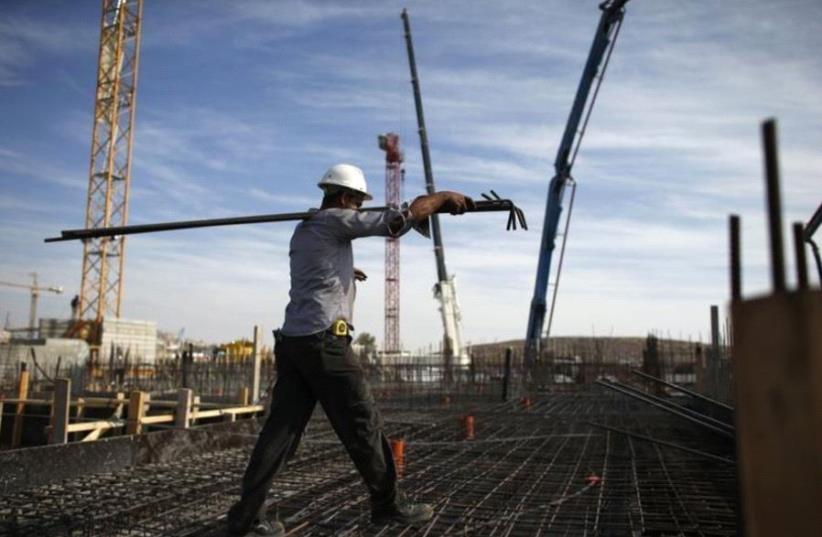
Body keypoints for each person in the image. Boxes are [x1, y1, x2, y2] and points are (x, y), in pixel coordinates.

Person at [225, 163, 474, 536]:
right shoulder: (335, 220)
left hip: (294, 343)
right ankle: (388, 506)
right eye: (356, 203)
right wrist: (437, 200)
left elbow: (318, 268)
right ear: (344, 199)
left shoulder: (305, 229)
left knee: (280, 433)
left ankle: (246, 517)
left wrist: (346, 271)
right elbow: (395, 222)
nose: (356, 210)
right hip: (325, 344)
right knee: (363, 425)